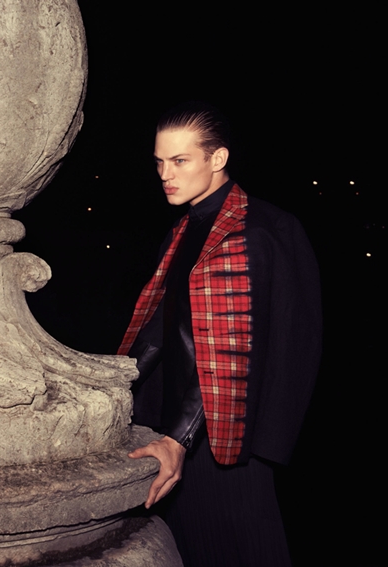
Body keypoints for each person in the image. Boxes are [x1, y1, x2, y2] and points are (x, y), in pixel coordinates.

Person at [119, 102, 321, 566]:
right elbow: (163, 326)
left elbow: (257, 348)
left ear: (218, 158)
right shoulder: (184, 229)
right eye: (159, 161)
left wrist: (180, 439)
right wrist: (113, 383)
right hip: (172, 430)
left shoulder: (263, 230)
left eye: (180, 160)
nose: (165, 174)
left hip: (229, 441)